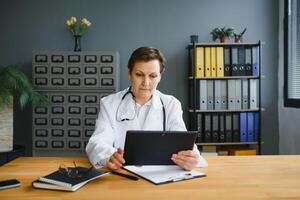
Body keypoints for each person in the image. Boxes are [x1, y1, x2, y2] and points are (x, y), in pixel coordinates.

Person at [86, 46, 208, 170]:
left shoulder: (171, 104)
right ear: (129, 74)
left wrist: (190, 157)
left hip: (160, 177)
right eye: (139, 75)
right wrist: (109, 156)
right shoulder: (109, 103)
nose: (146, 83)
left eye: (153, 76)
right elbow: (97, 143)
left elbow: (184, 144)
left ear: (160, 76)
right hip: (122, 175)